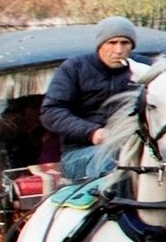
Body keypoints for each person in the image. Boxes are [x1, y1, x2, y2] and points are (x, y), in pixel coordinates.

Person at [42, 16, 139, 180]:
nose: (118, 50)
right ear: (100, 45)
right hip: (78, 153)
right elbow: (50, 112)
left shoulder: (146, 68)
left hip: (136, 147)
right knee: (113, 158)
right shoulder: (75, 67)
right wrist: (92, 132)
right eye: (112, 43)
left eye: (125, 43)